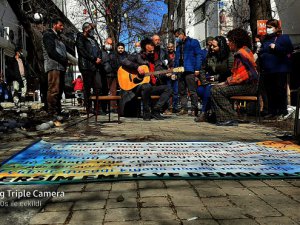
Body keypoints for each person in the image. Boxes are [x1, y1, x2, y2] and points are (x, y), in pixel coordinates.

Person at [210, 28, 259, 126]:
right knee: (215, 88)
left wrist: (226, 83)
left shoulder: (241, 54)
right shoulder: (244, 51)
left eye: (230, 41)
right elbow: (236, 74)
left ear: (236, 42)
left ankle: (229, 117)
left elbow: (242, 77)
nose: (228, 43)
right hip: (248, 85)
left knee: (216, 90)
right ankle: (222, 116)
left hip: (248, 86)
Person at [121, 38, 172, 121]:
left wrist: (166, 74)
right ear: (144, 50)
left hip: (151, 86)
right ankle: (146, 112)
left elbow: (158, 72)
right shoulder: (137, 56)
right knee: (146, 86)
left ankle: (156, 110)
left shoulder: (156, 60)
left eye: (153, 51)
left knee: (168, 88)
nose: (152, 53)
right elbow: (124, 61)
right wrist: (137, 67)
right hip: (137, 87)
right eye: (149, 51)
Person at [259, 19, 294, 119]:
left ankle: (282, 111)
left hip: (279, 69)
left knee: (279, 91)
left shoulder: (283, 38)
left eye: (270, 27)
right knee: (270, 91)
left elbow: (289, 51)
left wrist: (276, 47)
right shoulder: (266, 39)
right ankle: (272, 111)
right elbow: (263, 50)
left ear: (276, 28)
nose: (268, 29)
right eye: (267, 27)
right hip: (268, 69)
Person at [195, 36, 234, 122]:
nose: (212, 47)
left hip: (223, 81)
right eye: (211, 45)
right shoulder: (210, 55)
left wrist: (216, 77)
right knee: (200, 90)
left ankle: (204, 113)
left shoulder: (229, 56)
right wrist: (204, 81)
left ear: (221, 46)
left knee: (209, 90)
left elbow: (230, 71)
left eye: (214, 46)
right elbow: (202, 69)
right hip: (209, 81)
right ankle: (214, 112)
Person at [42, 18, 68, 118]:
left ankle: (58, 110)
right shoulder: (48, 35)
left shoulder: (58, 37)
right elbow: (51, 51)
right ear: (54, 25)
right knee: (54, 89)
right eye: (60, 25)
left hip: (60, 66)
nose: (62, 27)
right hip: (53, 66)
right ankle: (52, 112)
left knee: (59, 90)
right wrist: (63, 59)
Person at [174, 28, 202, 117]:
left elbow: (198, 55)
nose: (176, 38)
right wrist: (175, 71)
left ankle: (194, 109)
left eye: (177, 36)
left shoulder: (193, 42)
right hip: (180, 70)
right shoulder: (178, 46)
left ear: (182, 34)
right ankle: (184, 108)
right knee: (182, 91)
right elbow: (176, 59)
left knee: (192, 90)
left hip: (189, 69)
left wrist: (197, 68)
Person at [75, 22, 102, 113]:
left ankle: (97, 108)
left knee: (97, 87)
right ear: (86, 29)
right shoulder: (80, 38)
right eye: (91, 29)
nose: (92, 31)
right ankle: (88, 107)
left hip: (95, 66)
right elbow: (82, 51)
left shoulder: (93, 39)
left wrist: (99, 58)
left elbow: (98, 50)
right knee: (87, 87)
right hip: (86, 66)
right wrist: (94, 58)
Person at [101, 38, 120, 112]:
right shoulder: (101, 52)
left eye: (111, 44)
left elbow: (117, 63)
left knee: (113, 91)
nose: (110, 45)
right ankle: (104, 108)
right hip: (105, 74)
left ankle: (113, 107)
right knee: (104, 91)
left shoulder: (114, 53)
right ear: (105, 42)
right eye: (108, 43)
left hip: (114, 74)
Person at [165, 42, 179, 114]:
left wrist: (175, 73)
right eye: (168, 47)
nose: (170, 48)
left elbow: (179, 64)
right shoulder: (165, 55)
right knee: (168, 92)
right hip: (168, 76)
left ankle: (175, 107)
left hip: (176, 75)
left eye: (171, 47)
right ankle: (167, 108)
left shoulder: (177, 54)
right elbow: (164, 64)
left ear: (174, 47)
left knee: (175, 92)